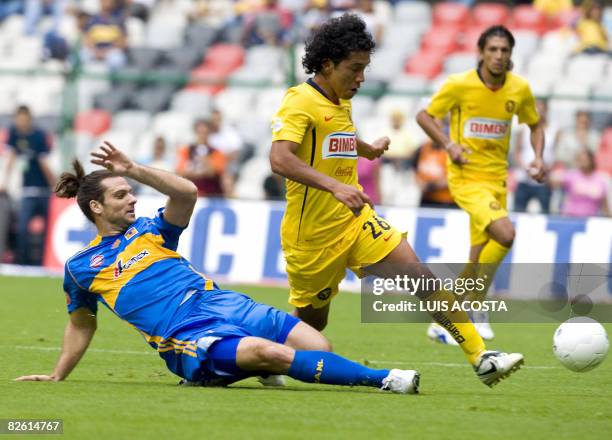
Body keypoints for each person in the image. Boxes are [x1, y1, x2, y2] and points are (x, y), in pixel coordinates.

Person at [14, 141, 420, 394]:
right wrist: (57, 375)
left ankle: (249, 366)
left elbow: (187, 193)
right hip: (185, 334)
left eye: (131, 192)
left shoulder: (152, 231)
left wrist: (133, 170)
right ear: (97, 208)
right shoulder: (81, 267)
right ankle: (385, 379)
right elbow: (82, 323)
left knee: (318, 347)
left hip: (224, 305)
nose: (132, 199)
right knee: (273, 353)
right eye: (122, 195)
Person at [269, 14, 524, 387]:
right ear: (327, 64)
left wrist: (365, 148)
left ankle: (480, 357)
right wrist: (335, 186)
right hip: (312, 238)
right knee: (313, 322)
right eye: (354, 70)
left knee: (420, 276)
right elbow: (280, 158)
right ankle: (265, 360)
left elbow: (333, 134)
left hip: (355, 221)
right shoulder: (299, 101)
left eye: (364, 70)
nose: (361, 79)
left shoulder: (339, 100)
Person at [416, 25, 546, 342]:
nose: (499, 56)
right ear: (481, 52)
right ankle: (475, 307)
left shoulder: (519, 89)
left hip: (497, 181)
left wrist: (538, 157)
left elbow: (535, 124)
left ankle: (444, 319)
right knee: (505, 233)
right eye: (493, 50)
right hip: (465, 177)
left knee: (476, 258)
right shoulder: (459, 85)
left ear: (511, 55)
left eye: (504, 51)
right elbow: (424, 116)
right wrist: (448, 144)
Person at [0, 105, 56, 266]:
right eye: (19, 119)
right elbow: (10, 158)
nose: (21, 123)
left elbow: (44, 163)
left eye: (24, 119)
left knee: (47, 229)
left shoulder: (39, 136)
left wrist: (54, 186)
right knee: (23, 228)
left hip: (44, 190)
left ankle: (42, 262)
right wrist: (4, 182)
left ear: (30, 119)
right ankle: (22, 262)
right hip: (27, 191)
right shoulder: (14, 133)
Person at [512, 99, 557, 214]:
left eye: (542, 107)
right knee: (518, 211)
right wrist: (526, 168)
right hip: (524, 178)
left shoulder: (554, 129)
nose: (539, 110)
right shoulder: (523, 129)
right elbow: (516, 153)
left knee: (545, 212)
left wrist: (545, 169)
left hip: (544, 178)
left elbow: (556, 154)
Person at [552, 149, 610, 217]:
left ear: (591, 160)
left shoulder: (600, 179)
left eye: (584, 159)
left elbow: (605, 204)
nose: (582, 162)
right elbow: (553, 181)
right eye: (580, 160)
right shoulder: (572, 175)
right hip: (570, 217)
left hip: (590, 220)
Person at [176, 119, 227, 198]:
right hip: (189, 194)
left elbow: (215, 172)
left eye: (205, 132)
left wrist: (205, 161)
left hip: (210, 195)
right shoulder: (186, 150)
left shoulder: (217, 152)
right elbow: (180, 171)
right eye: (200, 132)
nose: (202, 135)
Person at [80, 0, 128, 70]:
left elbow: (122, 42)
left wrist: (106, 52)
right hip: (94, 50)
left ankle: (113, 80)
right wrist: (96, 52)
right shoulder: (92, 19)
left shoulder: (119, 20)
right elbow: (87, 39)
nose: (107, 2)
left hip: (111, 52)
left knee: (116, 59)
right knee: (83, 55)